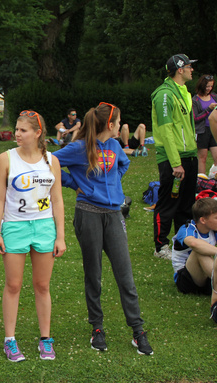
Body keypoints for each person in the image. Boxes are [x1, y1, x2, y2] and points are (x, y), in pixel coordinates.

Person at [54, 102, 153, 356]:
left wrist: (113, 183)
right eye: (118, 122)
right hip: (88, 214)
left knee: (125, 275)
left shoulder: (115, 145)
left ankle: (138, 330)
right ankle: (97, 327)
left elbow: (123, 164)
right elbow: (49, 162)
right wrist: (73, 183)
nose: (120, 126)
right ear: (109, 124)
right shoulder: (79, 147)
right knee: (93, 274)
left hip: (113, 214)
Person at [0, 110, 65, 362]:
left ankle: (46, 339)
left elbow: (57, 200)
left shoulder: (51, 160)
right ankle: (10, 340)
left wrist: (60, 236)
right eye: (17, 129)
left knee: (42, 285)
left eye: (23, 130)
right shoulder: (5, 159)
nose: (18, 134)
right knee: (13, 285)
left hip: (44, 227)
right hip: (15, 227)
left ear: (37, 132)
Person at [151, 54, 198, 261]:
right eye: (189, 66)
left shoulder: (184, 92)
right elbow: (166, 130)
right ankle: (161, 246)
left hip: (190, 155)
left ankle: (182, 244)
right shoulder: (164, 94)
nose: (192, 70)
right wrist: (176, 162)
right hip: (173, 158)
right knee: (168, 204)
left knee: (186, 205)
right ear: (180, 69)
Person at [171, 199, 217, 321]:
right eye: (216, 218)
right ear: (203, 220)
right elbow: (193, 243)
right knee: (199, 251)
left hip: (207, 277)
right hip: (185, 279)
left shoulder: (213, 231)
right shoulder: (187, 229)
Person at [192, 75, 217, 177]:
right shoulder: (195, 100)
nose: (209, 88)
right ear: (202, 85)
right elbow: (195, 118)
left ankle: (213, 177)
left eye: (211, 86)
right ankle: (201, 180)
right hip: (202, 131)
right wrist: (208, 110)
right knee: (202, 158)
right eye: (207, 86)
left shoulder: (214, 96)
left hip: (213, 129)